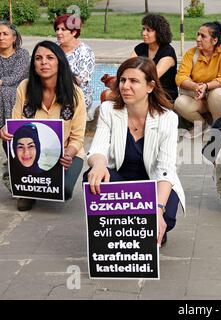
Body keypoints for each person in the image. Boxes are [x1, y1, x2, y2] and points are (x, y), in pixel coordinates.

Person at [85, 57, 185, 246]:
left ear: (150, 86)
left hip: (153, 181)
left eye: (134, 81)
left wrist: (157, 209)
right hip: (121, 179)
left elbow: (166, 169)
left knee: (167, 218)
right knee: (92, 177)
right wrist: (98, 164)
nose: (125, 86)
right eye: (123, 80)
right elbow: (97, 147)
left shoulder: (168, 118)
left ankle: (144, 224)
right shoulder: (108, 110)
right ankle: (123, 226)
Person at [0, 40, 86, 211]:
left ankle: (23, 180)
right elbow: (15, 124)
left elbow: (78, 138)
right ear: (33, 65)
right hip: (29, 149)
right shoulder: (24, 87)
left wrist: (68, 154)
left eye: (50, 58)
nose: (44, 62)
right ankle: (23, 186)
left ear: (59, 62)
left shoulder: (75, 94)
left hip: (66, 152)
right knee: (7, 139)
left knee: (64, 191)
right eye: (38, 58)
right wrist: (5, 130)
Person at [175, 21, 221, 135]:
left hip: (216, 98)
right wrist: (196, 86)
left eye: (203, 36)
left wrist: (205, 87)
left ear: (214, 40)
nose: (198, 39)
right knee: (179, 102)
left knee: (218, 94)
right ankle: (202, 125)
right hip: (198, 97)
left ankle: (218, 128)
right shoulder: (191, 53)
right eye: (198, 34)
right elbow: (180, 77)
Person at [54, 14, 95, 120]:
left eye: (63, 29)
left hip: (76, 94)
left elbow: (80, 80)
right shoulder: (54, 48)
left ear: (74, 32)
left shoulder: (85, 52)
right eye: (57, 29)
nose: (58, 32)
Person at [131, 13, 178, 102]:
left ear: (159, 32)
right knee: (107, 94)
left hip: (163, 95)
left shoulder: (167, 52)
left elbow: (152, 76)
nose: (144, 33)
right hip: (141, 89)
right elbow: (128, 68)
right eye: (143, 29)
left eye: (148, 30)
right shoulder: (140, 48)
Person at [0, 21, 29, 156]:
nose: (1, 37)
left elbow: (15, 78)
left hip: (20, 93)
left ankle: (7, 127)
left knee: (6, 92)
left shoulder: (22, 54)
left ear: (14, 38)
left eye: (5, 34)